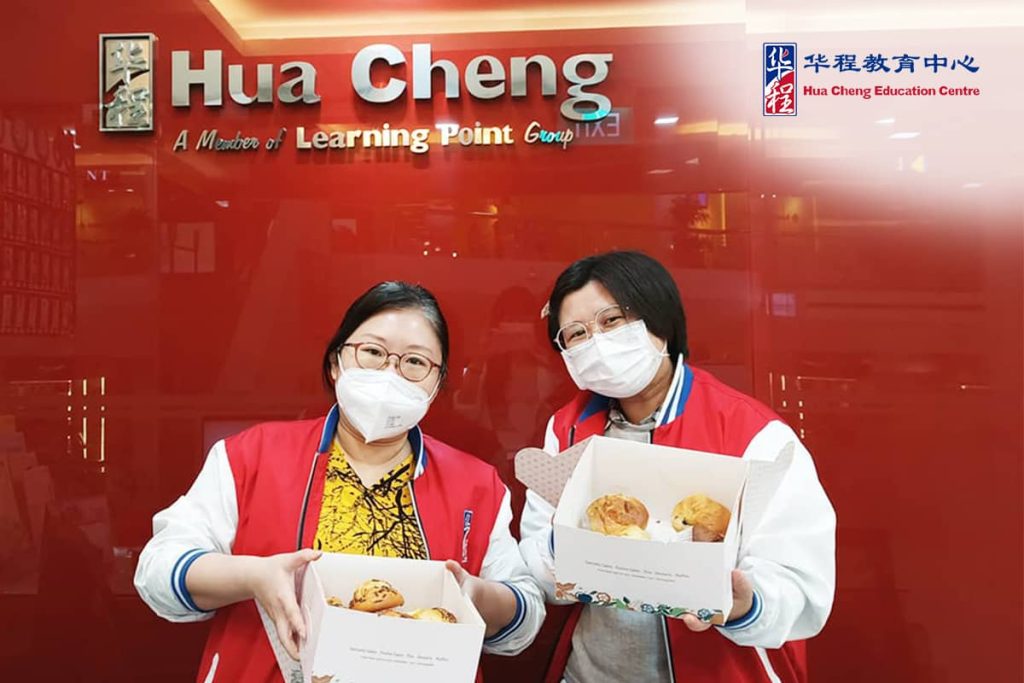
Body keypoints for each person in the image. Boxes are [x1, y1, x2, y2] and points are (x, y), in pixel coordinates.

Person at [135, 281, 545, 682]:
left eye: (415, 362)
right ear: (335, 364)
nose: (391, 373)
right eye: (372, 352)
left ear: (436, 386)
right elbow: (159, 571)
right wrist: (253, 577)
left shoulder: (477, 484)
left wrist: (475, 598)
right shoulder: (251, 456)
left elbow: (525, 612)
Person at [519, 252, 835, 682]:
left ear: (660, 319)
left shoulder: (752, 434)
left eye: (611, 321)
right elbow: (537, 555)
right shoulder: (567, 430)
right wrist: (560, 551)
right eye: (576, 334)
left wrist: (745, 603)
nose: (595, 341)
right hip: (590, 671)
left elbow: (800, 585)